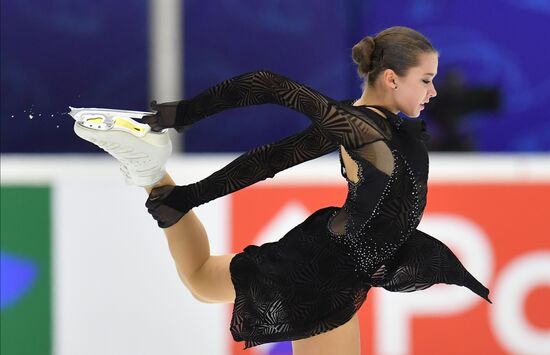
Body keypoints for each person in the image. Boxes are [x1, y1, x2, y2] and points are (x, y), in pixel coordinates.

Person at [73, 26, 491, 354]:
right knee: (200, 279)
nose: (434, 91)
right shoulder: (359, 127)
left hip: (343, 263)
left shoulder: (373, 127)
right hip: (328, 275)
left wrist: (187, 196)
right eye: (426, 79)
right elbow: (268, 92)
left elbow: (278, 155)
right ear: (391, 79)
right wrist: (180, 116)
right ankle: (150, 170)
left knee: (202, 281)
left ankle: (149, 170)